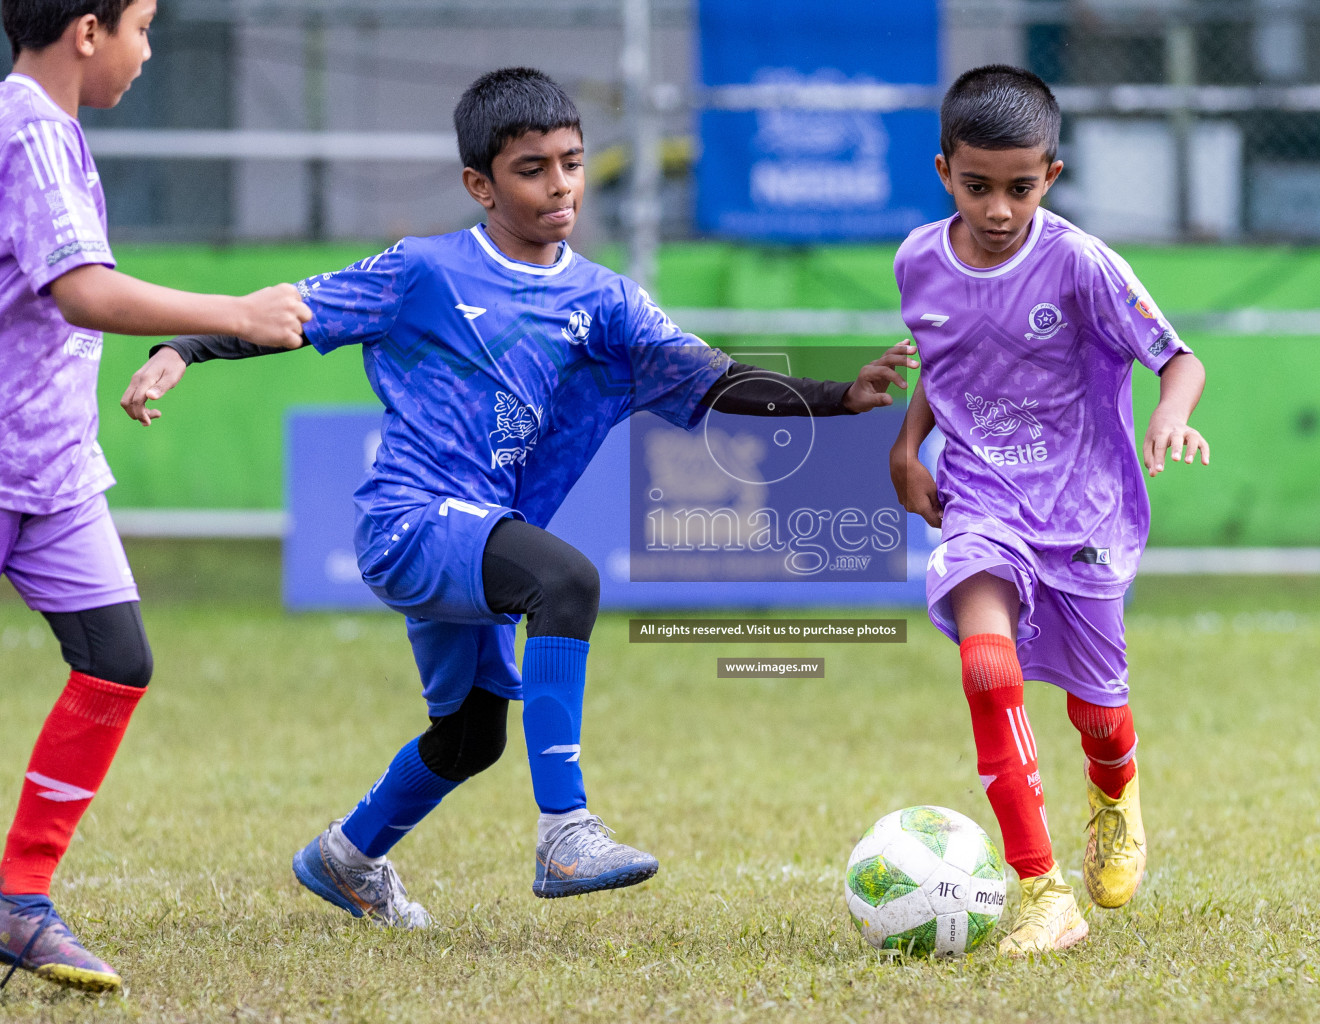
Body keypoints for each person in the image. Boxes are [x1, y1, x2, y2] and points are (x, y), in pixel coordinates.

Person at [122, 66, 916, 929]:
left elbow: (712, 376)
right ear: (481, 185)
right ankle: (565, 832)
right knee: (565, 582)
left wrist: (841, 397)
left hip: (483, 535)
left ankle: (347, 858)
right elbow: (293, 312)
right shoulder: (423, 271)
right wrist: (185, 348)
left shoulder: (605, 301)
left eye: (572, 163)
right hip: (411, 521)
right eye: (532, 168)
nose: (561, 185)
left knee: (471, 737)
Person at [0, 0, 310, 994]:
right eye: (141, 26)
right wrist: (234, 312)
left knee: (117, 661)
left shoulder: (58, 132)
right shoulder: (29, 126)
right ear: (87, 31)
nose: (147, 50)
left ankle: (19, 899)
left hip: (50, 473)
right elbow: (83, 290)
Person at [888, 65, 1210, 957]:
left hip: (1085, 519)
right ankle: (1040, 889)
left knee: (1099, 717)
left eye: (1020, 188)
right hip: (983, 503)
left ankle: (1115, 791)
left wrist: (1170, 416)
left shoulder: (1079, 261)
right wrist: (907, 447)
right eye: (977, 185)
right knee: (988, 669)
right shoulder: (918, 258)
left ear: (1051, 178)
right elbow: (940, 357)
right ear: (944, 169)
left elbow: (1178, 359)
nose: (998, 208)